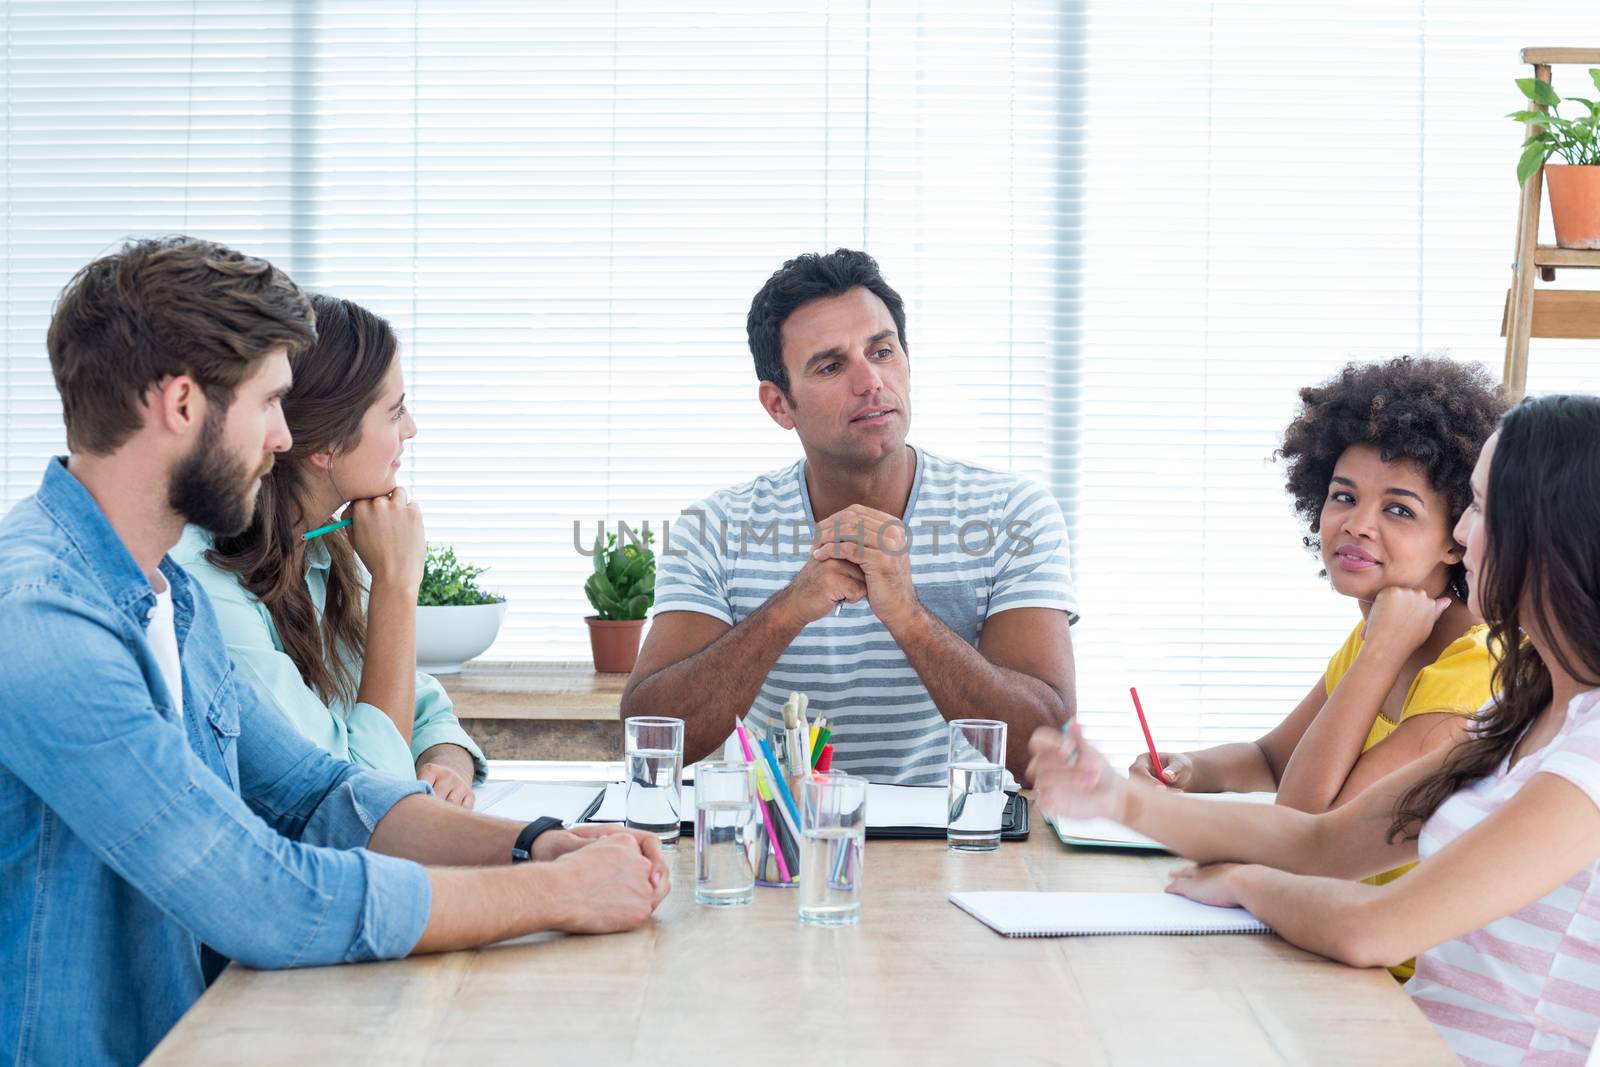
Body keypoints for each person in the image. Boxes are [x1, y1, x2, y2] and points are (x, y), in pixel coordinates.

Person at [0, 237, 669, 1067]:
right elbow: (255, 893)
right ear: (181, 403)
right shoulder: (39, 620)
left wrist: (535, 841)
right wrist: (552, 894)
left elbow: (319, 796)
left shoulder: (164, 595)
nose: (284, 437)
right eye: (270, 402)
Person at [1029, 393, 1600, 1066]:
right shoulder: (1525, 713)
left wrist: (1247, 884)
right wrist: (1120, 798)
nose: (1465, 534)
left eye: (1480, 506)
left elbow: (1376, 929)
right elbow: (1322, 840)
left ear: (1549, 527)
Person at [623, 249, 1076, 783]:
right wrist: (788, 609)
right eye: (832, 366)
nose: (870, 383)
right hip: (782, 850)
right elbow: (650, 741)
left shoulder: (1010, 514)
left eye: (882, 351)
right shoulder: (714, 528)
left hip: (964, 849)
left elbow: (1043, 753)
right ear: (778, 405)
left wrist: (910, 619)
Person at [174, 294, 484, 807]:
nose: (412, 429)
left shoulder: (321, 548)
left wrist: (446, 765)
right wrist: (396, 587)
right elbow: (357, 798)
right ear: (325, 447)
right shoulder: (207, 590)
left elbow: (424, 707)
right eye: (395, 411)